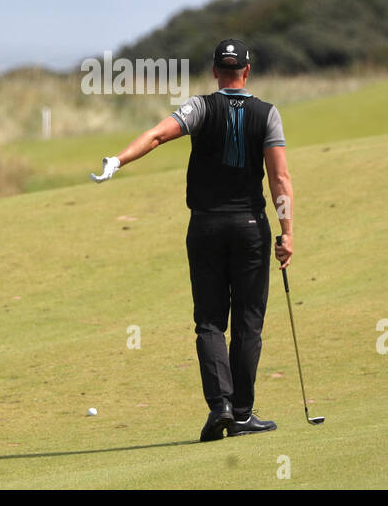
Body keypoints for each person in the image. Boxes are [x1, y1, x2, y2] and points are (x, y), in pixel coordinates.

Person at [90, 39, 293, 442]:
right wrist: (287, 232)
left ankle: (220, 407)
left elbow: (156, 136)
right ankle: (241, 412)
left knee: (210, 321)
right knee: (248, 323)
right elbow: (280, 179)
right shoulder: (267, 114)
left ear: (215, 71)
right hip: (252, 228)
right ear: (247, 72)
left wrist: (117, 160)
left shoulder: (199, 108)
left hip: (205, 227)